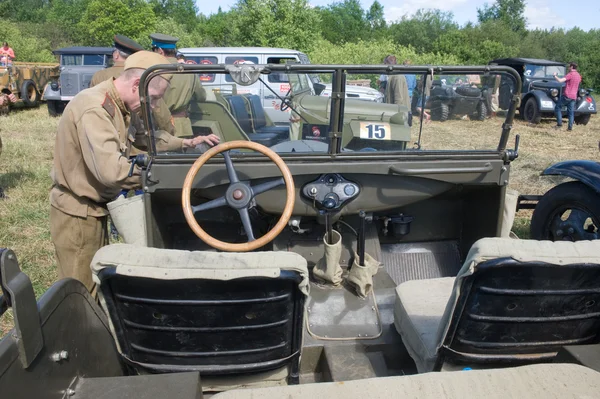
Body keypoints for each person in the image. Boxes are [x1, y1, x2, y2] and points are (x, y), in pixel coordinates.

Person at [49, 51, 219, 294]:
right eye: (152, 97)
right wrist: (166, 175)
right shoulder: (95, 109)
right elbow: (111, 172)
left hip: (94, 208)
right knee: (80, 291)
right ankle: (71, 332)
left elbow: (147, 139)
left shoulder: (123, 106)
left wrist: (187, 143)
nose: (153, 104)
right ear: (137, 84)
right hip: (77, 211)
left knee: (95, 282)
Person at [150, 33, 210, 137]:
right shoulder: (189, 71)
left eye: (153, 50)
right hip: (183, 127)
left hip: (158, 128)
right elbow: (201, 96)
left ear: (160, 51)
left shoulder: (154, 71)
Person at [553, 62, 581, 131]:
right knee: (571, 112)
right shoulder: (578, 75)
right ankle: (570, 128)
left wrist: (555, 76)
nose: (568, 68)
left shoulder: (570, 74)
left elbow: (560, 81)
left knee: (557, 107)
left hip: (567, 95)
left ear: (571, 67)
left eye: (569, 67)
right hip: (574, 96)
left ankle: (559, 124)